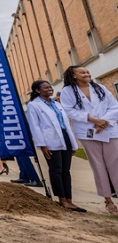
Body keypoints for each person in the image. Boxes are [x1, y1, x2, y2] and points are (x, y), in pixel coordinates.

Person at [60, 65, 118, 215]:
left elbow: (114, 107)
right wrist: (92, 120)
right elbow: (69, 111)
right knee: (98, 165)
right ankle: (108, 200)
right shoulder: (68, 91)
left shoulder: (100, 88)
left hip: (109, 130)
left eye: (87, 71)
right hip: (88, 133)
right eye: (82, 72)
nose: (87, 74)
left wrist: (103, 121)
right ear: (74, 76)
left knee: (115, 165)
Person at [26, 79, 85, 212]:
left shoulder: (57, 104)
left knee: (66, 170)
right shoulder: (34, 105)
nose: (49, 89)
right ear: (37, 90)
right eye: (45, 88)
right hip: (50, 140)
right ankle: (62, 199)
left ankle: (70, 199)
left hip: (65, 137)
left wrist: (73, 144)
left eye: (50, 87)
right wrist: (42, 145)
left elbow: (66, 124)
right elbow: (34, 126)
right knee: (56, 169)